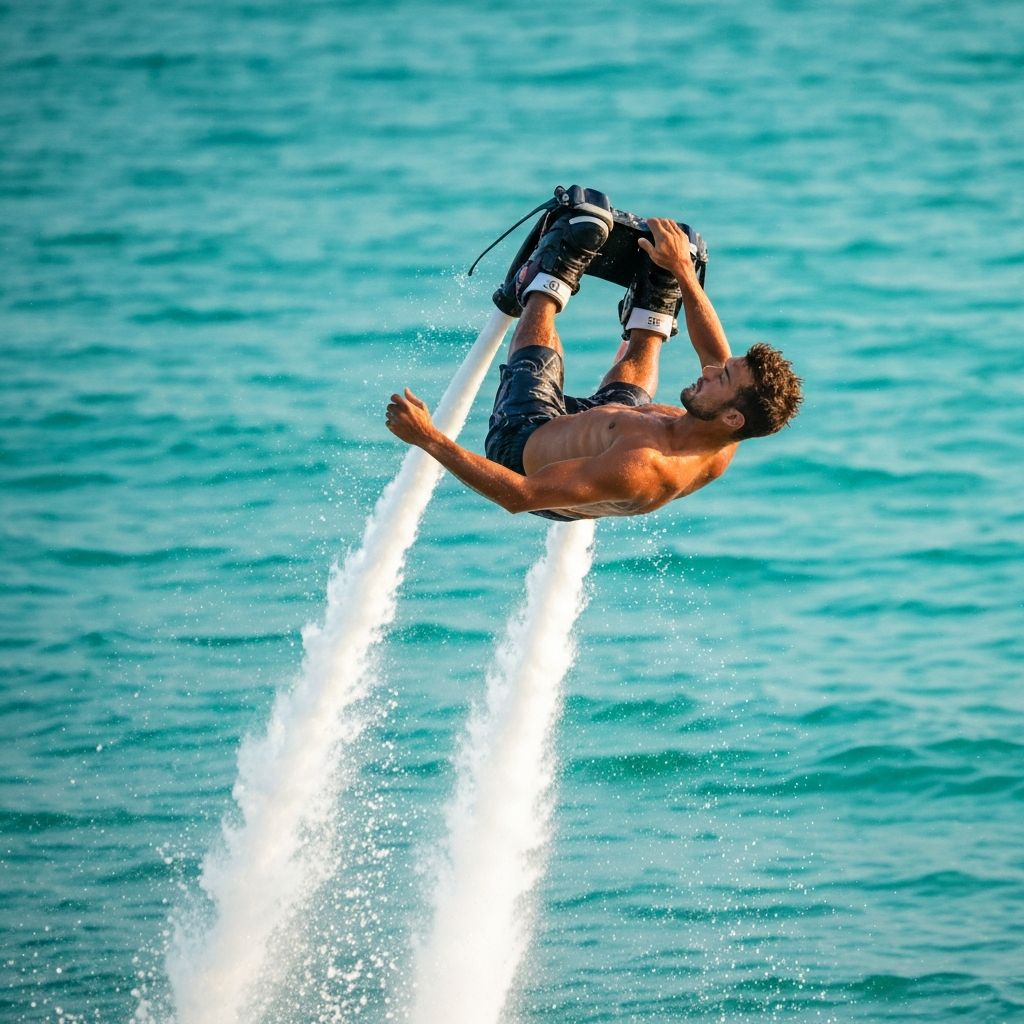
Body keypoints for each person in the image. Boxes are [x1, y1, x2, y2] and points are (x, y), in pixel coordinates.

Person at [385, 188, 802, 521]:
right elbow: (714, 351)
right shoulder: (726, 433)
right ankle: (650, 311)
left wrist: (427, 437)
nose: (710, 370)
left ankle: (543, 285)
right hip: (607, 432)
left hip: (523, 447)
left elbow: (518, 496)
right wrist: (681, 272)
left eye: (722, 379)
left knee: (539, 357)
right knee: (636, 379)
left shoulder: (644, 468)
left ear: (732, 416)